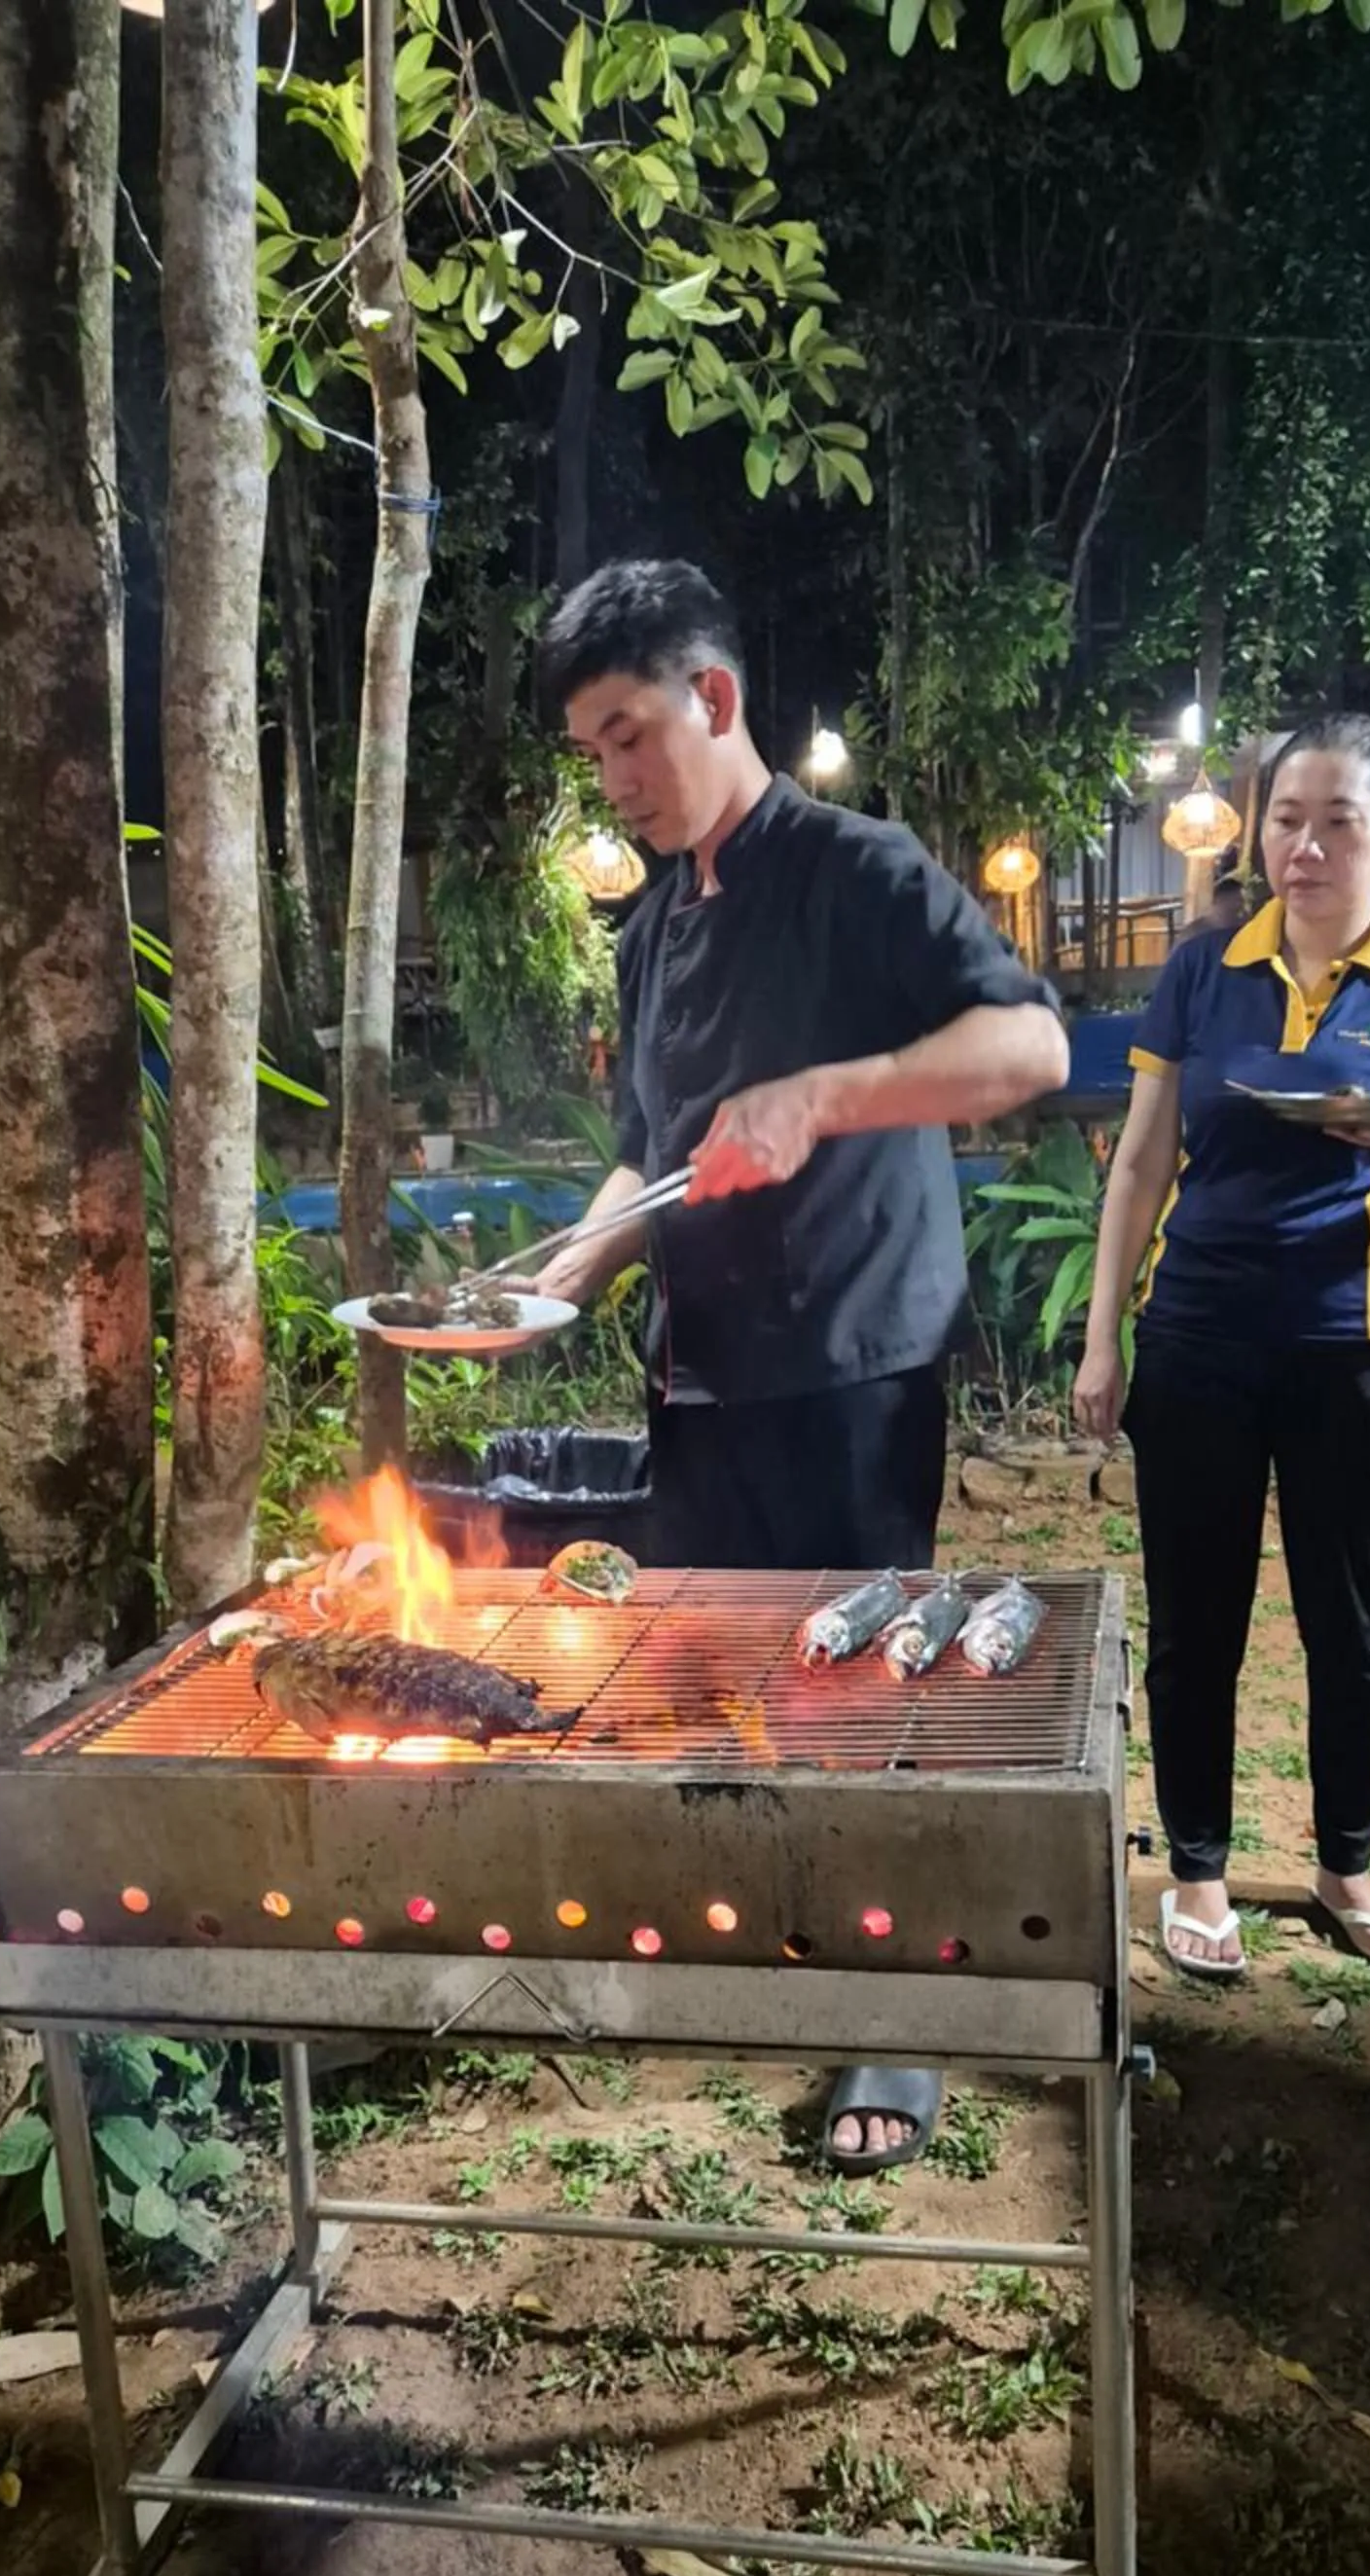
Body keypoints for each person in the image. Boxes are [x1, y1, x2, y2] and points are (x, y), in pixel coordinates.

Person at [531, 559, 1070, 2165]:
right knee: (722, 1687)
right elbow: (649, 1153)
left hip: (848, 1362)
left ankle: (892, 2028)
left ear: (715, 699)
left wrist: (824, 1097)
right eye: (593, 755)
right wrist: (567, 1267)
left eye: (631, 735)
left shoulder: (854, 870)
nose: (617, 780)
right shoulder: (651, 935)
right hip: (698, 1374)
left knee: (859, 1701)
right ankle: (770, 1935)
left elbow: (1028, 1048)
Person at [1072, 715, 1370, 1980]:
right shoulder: (1205, 966)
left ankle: (1346, 1861)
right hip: (1197, 1333)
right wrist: (1103, 1338)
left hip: (1349, 1343)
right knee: (1194, 1618)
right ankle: (1196, 1869)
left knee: (1350, 1621)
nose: (1302, 846)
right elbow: (1145, 1158)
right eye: (1282, 818)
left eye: (1335, 821)